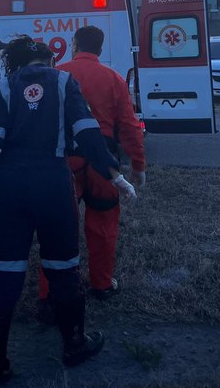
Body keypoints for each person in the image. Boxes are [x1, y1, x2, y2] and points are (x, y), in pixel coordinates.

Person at [0, 36, 137, 387]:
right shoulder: (65, 81)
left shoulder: (6, 84)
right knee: (63, 267)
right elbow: (89, 134)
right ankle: (74, 344)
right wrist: (115, 174)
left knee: (5, 271)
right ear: (49, 60)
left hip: (10, 185)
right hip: (52, 182)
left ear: (16, 63)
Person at [38, 25, 146, 306]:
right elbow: (130, 125)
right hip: (103, 164)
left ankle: (50, 291)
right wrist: (138, 164)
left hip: (64, 161)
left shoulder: (57, 74)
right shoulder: (113, 78)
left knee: (57, 227)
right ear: (100, 48)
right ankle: (101, 284)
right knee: (103, 226)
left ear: (75, 44)